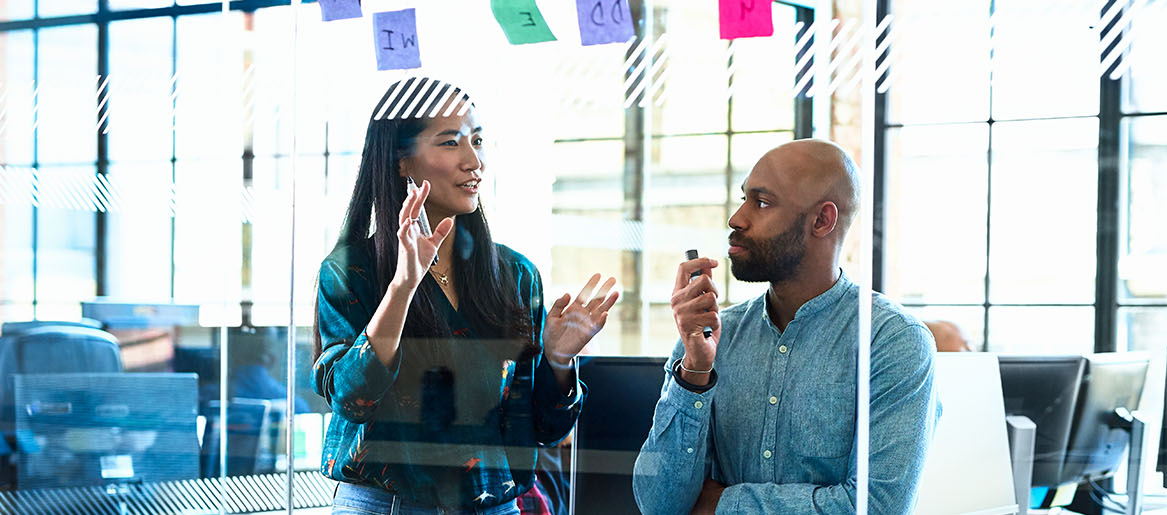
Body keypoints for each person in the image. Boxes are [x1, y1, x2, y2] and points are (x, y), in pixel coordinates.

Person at [311, 77, 618, 515]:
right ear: (402, 162)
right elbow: (353, 399)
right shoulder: (350, 271)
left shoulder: (515, 275)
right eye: (451, 143)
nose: (474, 161)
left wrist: (558, 360)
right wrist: (403, 286)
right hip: (388, 504)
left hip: (493, 504)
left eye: (477, 140)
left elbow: (546, 429)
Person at [631, 139, 939, 514]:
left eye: (762, 203)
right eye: (744, 198)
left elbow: (877, 507)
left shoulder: (892, 342)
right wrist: (694, 372)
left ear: (822, 220)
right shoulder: (709, 337)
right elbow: (659, 505)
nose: (736, 219)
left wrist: (721, 505)